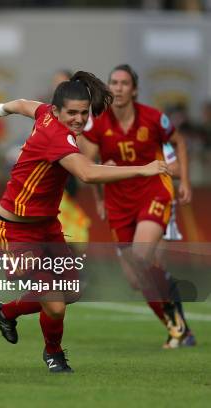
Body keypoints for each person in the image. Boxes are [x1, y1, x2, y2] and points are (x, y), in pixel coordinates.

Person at [0, 71, 170, 373]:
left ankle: (6, 311)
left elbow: (26, 105)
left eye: (83, 113)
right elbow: (88, 173)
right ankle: (53, 354)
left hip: (46, 227)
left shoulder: (47, 116)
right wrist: (143, 169)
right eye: (73, 113)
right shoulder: (56, 136)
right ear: (57, 111)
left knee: (73, 291)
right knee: (55, 301)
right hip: (13, 229)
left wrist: (1, 108)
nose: (79, 119)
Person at [78, 64, 194, 348]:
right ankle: (178, 326)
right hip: (118, 203)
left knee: (141, 259)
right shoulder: (99, 124)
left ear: (134, 89)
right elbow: (88, 168)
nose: (117, 88)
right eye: (113, 83)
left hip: (153, 193)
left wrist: (186, 181)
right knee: (136, 279)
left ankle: (177, 330)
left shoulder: (154, 119)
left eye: (124, 83)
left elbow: (179, 143)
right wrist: (100, 199)